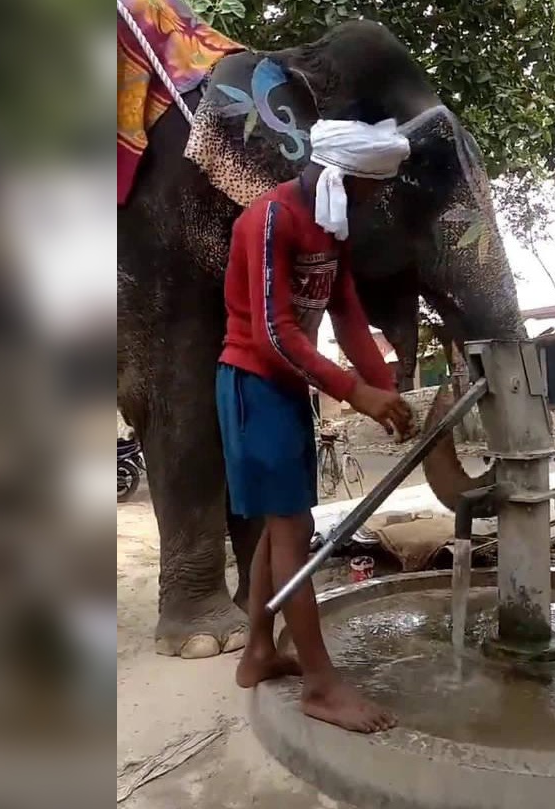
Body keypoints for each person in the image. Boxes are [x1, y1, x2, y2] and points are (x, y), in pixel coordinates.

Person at [217, 116, 414, 733]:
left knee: (282, 530)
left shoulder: (333, 226)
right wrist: (353, 392)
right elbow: (275, 334)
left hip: (286, 388)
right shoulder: (270, 218)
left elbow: (347, 312)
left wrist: (384, 384)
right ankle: (322, 687)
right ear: (345, 178)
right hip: (254, 382)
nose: (377, 198)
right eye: (374, 188)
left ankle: (257, 651)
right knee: (292, 532)